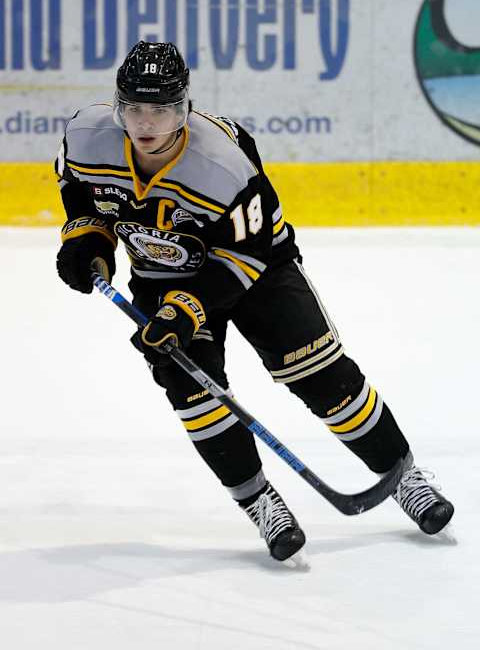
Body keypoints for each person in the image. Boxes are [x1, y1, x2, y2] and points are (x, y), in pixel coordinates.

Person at [55, 41, 454, 561]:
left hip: (256, 269)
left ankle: (403, 476)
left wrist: (190, 307)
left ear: (184, 108)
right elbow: (82, 195)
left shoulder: (223, 162)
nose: (146, 123)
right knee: (192, 389)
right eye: (134, 108)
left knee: (319, 375)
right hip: (161, 270)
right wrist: (86, 238)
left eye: (161, 109)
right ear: (117, 106)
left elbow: (247, 253)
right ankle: (261, 502)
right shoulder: (86, 136)